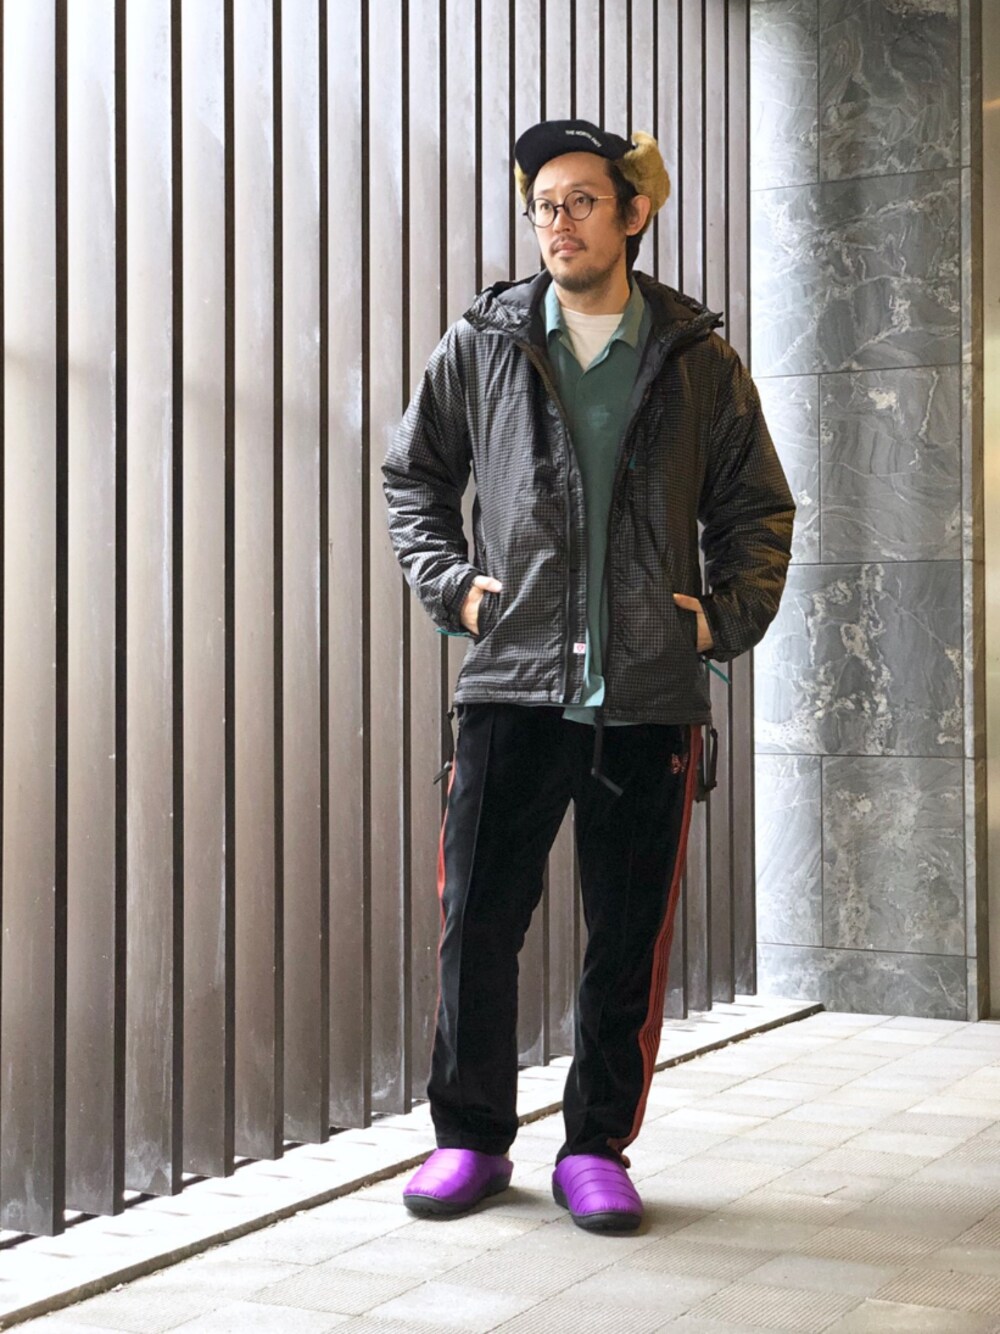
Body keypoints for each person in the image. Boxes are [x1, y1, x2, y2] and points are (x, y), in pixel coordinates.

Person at [383, 119, 793, 1233]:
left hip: (647, 698)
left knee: (626, 941)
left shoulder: (695, 358)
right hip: (511, 687)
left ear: (633, 213)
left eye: (579, 201)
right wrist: (456, 590)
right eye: (543, 206)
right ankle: (470, 1137)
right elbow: (413, 477)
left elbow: (757, 505)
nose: (556, 223)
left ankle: (596, 1147)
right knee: (477, 925)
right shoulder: (484, 343)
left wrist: (722, 618)